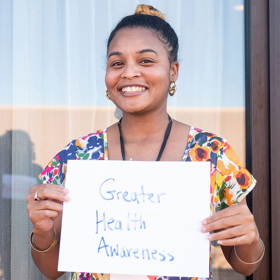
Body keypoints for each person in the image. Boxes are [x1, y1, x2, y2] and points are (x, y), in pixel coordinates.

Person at [26, 4, 264, 280]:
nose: (129, 73)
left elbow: (244, 265)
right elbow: (51, 271)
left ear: (173, 71)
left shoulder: (213, 153)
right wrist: (43, 232)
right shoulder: (76, 157)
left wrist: (250, 239)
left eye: (146, 61)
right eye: (117, 63)